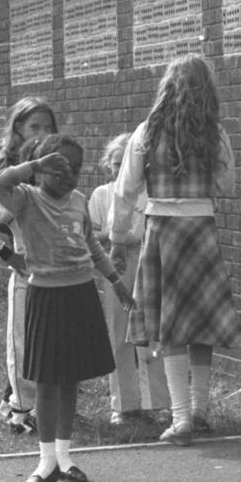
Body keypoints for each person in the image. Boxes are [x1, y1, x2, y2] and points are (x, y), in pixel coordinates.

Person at [110, 53, 241, 447]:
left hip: (162, 230)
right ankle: (200, 412)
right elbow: (228, 185)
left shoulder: (146, 132)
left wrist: (119, 238)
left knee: (170, 326)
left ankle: (181, 418)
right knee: (200, 323)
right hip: (201, 229)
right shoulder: (215, 134)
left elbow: (125, 189)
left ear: (166, 87)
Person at [0, 133, 134, 482]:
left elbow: (92, 247)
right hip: (45, 297)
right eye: (58, 169)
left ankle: (65, 458)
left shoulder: (79, 200)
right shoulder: (25, 199)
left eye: (76, 170)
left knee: (70, 380)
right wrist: (34, 166)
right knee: (47, 381)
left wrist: (116, 282)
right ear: (39, 171)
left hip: (79, 294)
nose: (68, 177)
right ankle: (45, 460)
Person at [0, 97, 58, 435]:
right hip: (25, 266)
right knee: (22, 342)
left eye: (48, 127)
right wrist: (10, 256)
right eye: (34, 127)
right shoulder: (13, 171)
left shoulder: (56, 174)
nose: (42, 133)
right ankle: (16, 407)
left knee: (50, 342)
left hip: (57, 274)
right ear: (18, 130)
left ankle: (43, 405)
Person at [89, 132, 170, 425]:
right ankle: (123, 405)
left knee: (150, 332)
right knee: (119, 333)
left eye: (127, 163)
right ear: (107, 165)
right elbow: (92, 234)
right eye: (115, 163)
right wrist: (114, 236)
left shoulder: (151, 192)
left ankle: (158, 402)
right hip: (116, 262)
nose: (121, 169)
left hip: (149, 259)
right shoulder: (102, 195)